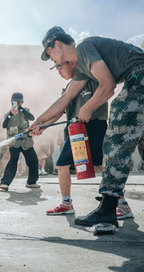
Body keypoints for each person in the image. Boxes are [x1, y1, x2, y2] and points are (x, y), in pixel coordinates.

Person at [30, 26, 144, 227]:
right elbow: (66, 98)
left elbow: (107, 86)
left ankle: (108, 210)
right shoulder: (82, 68)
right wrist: (40, 122)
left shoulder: (83, 48)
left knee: (117, 138)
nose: (53, 61)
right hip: (137, 78)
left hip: (139, 75)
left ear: (57, 44)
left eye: (50, 55)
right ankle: (109, 208)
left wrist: (87, 108)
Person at [45, 61, 133, 219]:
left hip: (95, 125)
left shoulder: (92, 78)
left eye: (60, 66)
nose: (58, 71)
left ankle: (122, 204)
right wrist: (42, 125)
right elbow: (59, 111)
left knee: (102, 165)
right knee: (62, 165)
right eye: (56, 68)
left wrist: (87, 110)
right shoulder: (67, 89)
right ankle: (66, 203)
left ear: (72, 64)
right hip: (75, 130)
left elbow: (106, 90)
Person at [0, 92, 40, 191]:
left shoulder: (26, 111)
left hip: (26, 142)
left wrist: (21, 109)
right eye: (16, 102)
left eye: (20, 102)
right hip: (14, 143)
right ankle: (4, 183)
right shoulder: (8, 114)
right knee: (13, 161)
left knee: (33, 160)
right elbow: (4, 125)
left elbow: (32, 118)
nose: (18, 104)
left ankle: (31, 182)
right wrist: (11, 114)